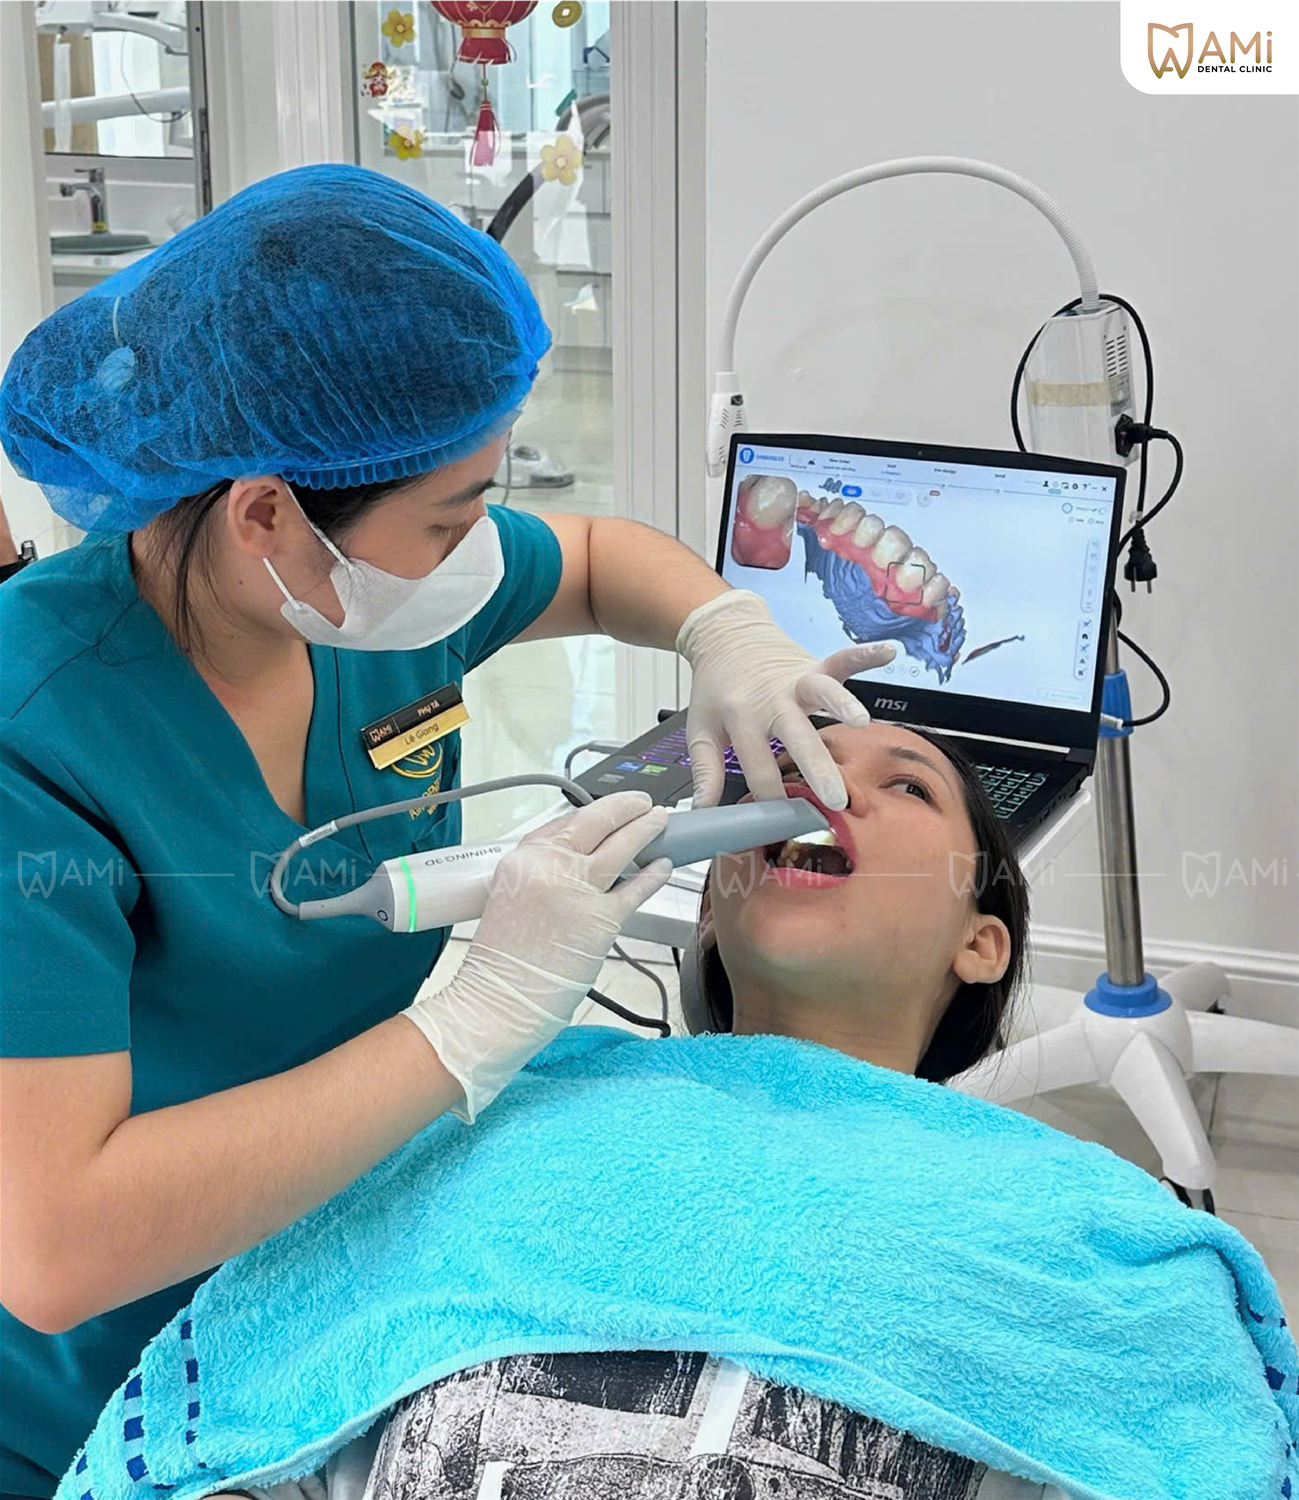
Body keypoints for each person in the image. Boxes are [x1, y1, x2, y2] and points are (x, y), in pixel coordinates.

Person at [0, 163, 896, 1500]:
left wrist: (727, 631)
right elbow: (57, 1246)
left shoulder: (362, 594)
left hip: (337, 1281)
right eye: (455, 512)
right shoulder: (37, 738)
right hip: (118, 1388)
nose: (487, 544)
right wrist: (479, 1018)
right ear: (266, 516)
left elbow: (596, 561)